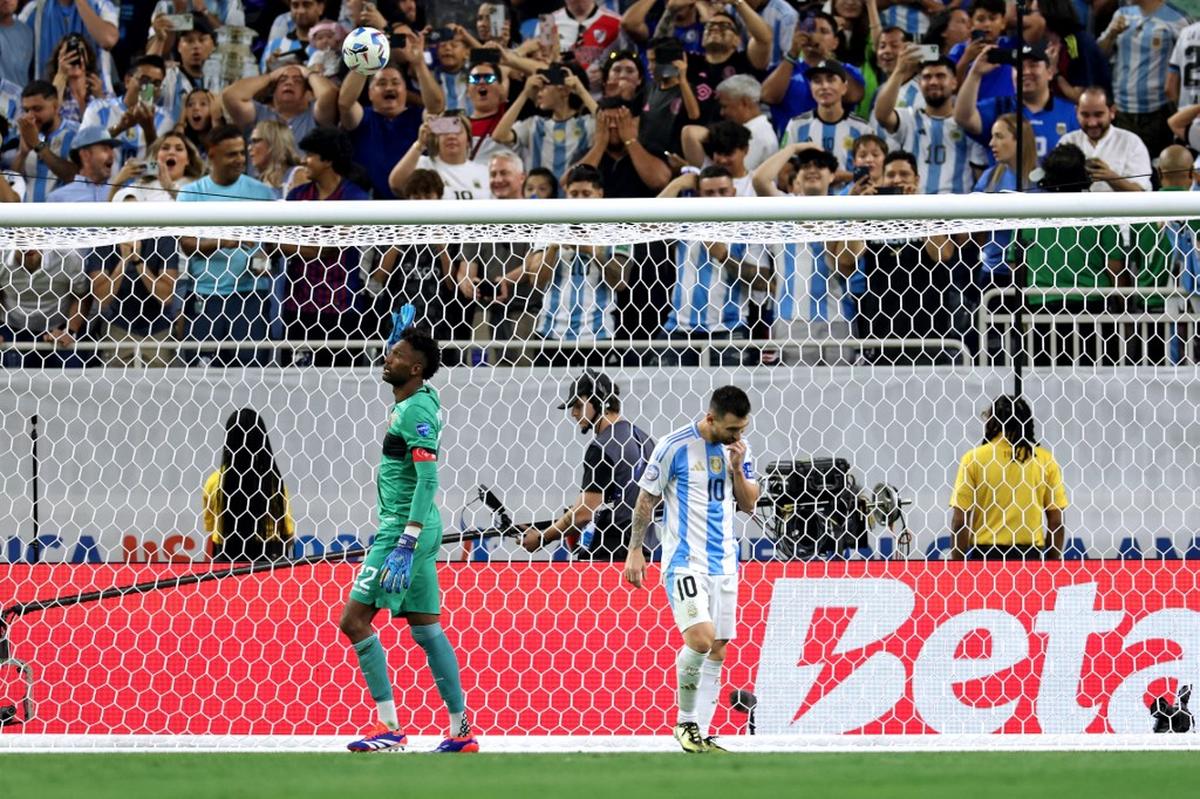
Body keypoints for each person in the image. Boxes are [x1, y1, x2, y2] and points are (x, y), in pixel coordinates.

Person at [339, 324, 478, 754]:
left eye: (396, 354)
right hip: (415, 527)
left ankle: (390, 728)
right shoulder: (422, 400)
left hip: (404, 529)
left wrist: (406, 539)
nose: (387, 358)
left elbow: (428, 479)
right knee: (426, 628)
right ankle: (461, 732)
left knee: (354, 622)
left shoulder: (413, 411)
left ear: (416, 368)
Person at [624, 385, 759, 753]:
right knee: (699, 640)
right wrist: (636, 549)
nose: (738, 435)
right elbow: (646, 498)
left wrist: (736, 469)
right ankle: (684, 724)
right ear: (711, 418)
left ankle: (699, 733)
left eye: (743, 428)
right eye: (732, 429)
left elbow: (748, 504)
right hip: (685, 561)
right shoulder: (674, 445)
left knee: (717, 649)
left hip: (725, 562)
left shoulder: (739, 450)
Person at [521, 371, 655, 561]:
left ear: (599, 401)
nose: (573, 413)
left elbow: (583, 513)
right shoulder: (646, 441)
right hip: (645, 555)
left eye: (577, 405)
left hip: (609, 555)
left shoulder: (601, 447)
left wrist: (542, 538)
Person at [177, 125, 276, 367]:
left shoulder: (262, 193)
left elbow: (273, 242)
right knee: (202, 377)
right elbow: (187, 244)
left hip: (250, 294)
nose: (240, 159)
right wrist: (225, 241)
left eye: (242, 153)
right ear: (212, 155)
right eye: (232, 154)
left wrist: (265, 256)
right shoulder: (191, 193)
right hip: (204, 294)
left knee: (250, 374)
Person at [949, 395, 1068, 560]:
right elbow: (1056, 523)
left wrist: (957, 564)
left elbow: (960, 521)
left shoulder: (973, 459)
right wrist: (1052, 564)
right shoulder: (1044, 460)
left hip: (986, 558)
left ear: (993, 422)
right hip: (1029, 559)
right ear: (1026, 423)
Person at [203, 408, 296, 562]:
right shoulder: (273, 482)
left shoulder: (214, 481)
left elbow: (211, 528)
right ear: (261, 439)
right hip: (269, 560)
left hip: (227, 560)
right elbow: (288, 534)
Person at [1058, 86, 1152, 192]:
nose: (1092, 123)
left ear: (1112, 112)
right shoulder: (1067, 141)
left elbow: (1140, 193)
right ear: (1076, 112)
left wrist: (1110, 177)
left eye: (1098, 115)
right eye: (1085, 115)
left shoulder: (1132, 143)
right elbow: (1055, 187)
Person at [13, 79, 78, 202]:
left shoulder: (75, 133)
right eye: (26, 110)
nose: (30, 116)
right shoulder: (25, 132)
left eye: (37, 109)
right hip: (27, 217)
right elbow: (13, 182)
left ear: (55, 106)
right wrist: (22, 153)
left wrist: (37, 145)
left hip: (62, 217)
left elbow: (74, 176)